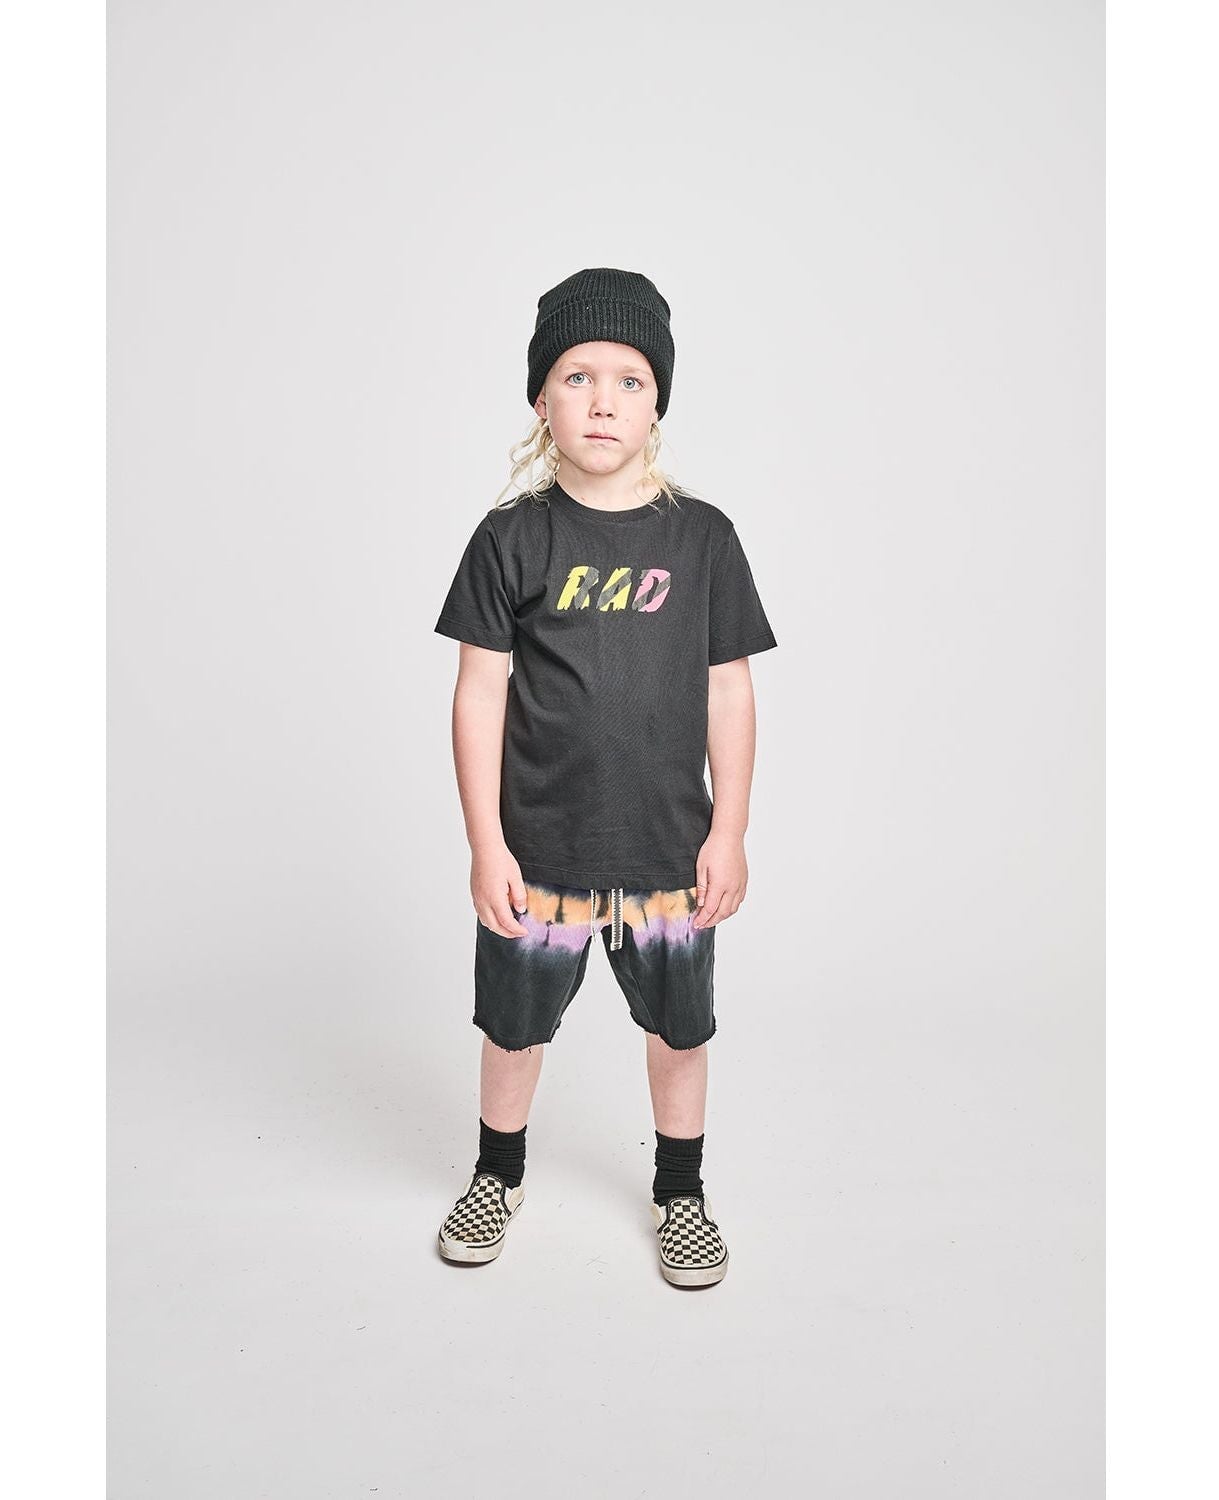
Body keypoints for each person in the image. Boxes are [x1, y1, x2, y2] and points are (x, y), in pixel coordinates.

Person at [431, 267, 778, 1287]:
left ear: (657, 401)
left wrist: (729, 831)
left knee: (680, 1033)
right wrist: (487, 843)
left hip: (669, 850)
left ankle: (681, 1193)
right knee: (513, 1029)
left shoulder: (703, 539)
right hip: (540, 850)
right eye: (577, 377)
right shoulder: (511, 539)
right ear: (541, 397)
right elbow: (478, 694)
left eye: (629, 380)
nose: (602, 401)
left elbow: (730, 692)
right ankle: (497, 1174)